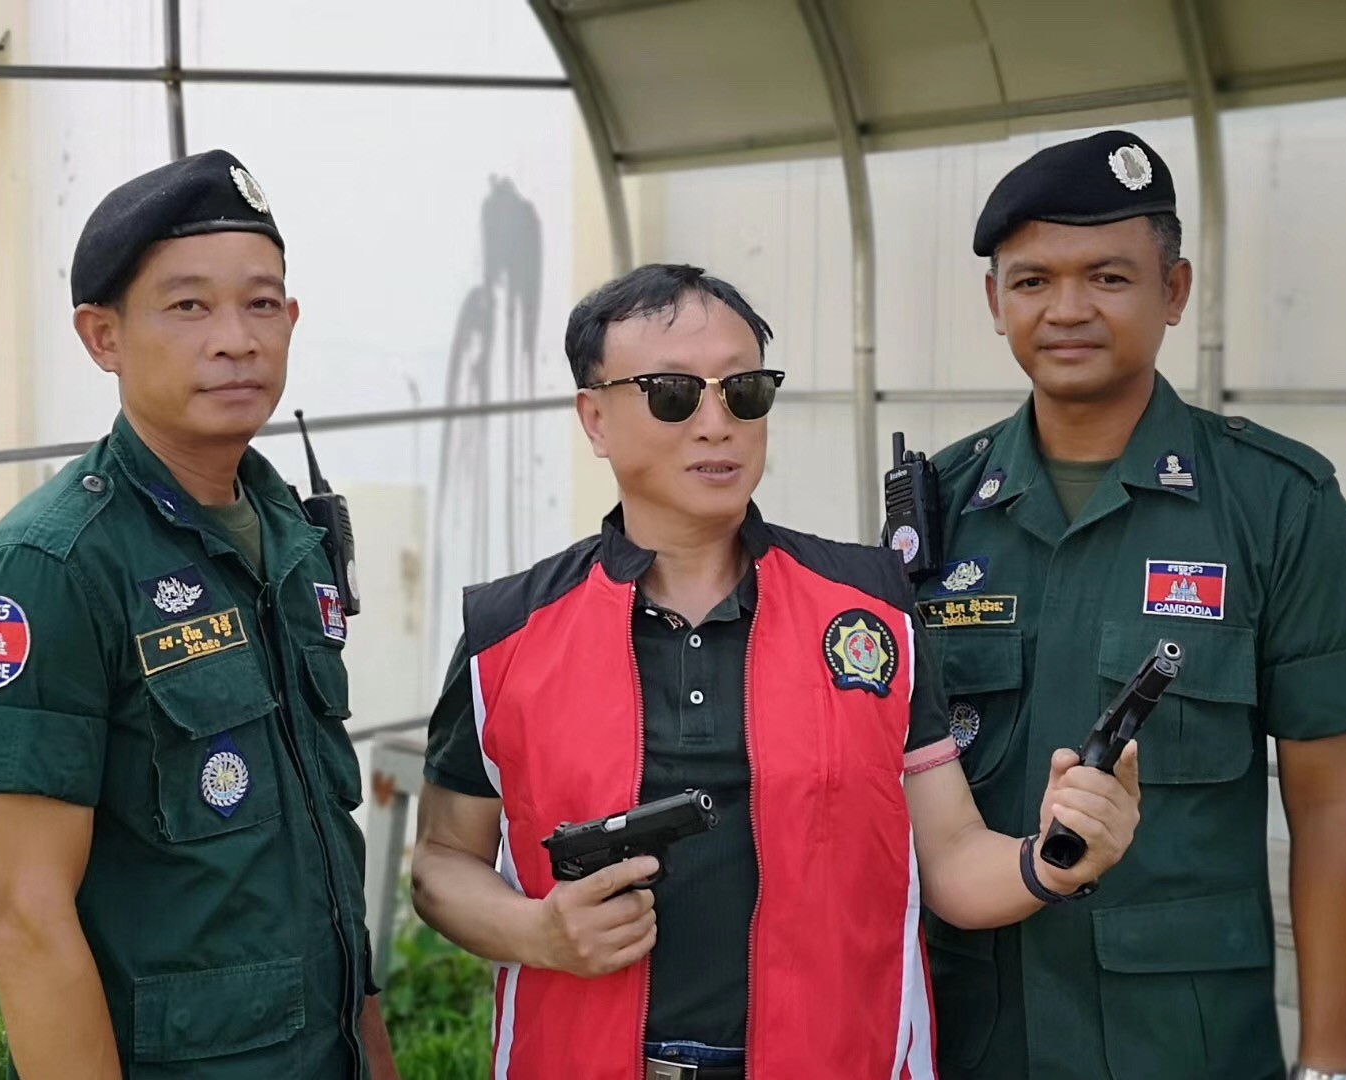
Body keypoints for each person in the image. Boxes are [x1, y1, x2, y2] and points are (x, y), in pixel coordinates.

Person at [410, 263, 1143, 1079]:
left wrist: (1056, 857)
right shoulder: (508, 633)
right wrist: (538, 933)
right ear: (595, 418)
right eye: (672, 393)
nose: (716, 424)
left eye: (744, 391)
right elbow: (442, 861)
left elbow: (951, 859)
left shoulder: (873, 610)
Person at [919, 130, 1346, 1080]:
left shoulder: (1278, 503)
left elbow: (1332, 807)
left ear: (1174, 291)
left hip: (1183, 1043)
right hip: (976, 1036)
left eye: (1109, 277)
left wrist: (1328, 1064)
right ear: (995, 302)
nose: (1067, 309)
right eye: (1033, 280)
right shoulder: (935, 514)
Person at [0, 150, 397, 1079]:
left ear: (291, 321)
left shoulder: (287, 528)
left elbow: (325, 859)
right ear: (102, 336)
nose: (235, 340)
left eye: (260, 304)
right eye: (188, 306)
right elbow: (23, 913)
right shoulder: (53, 567)